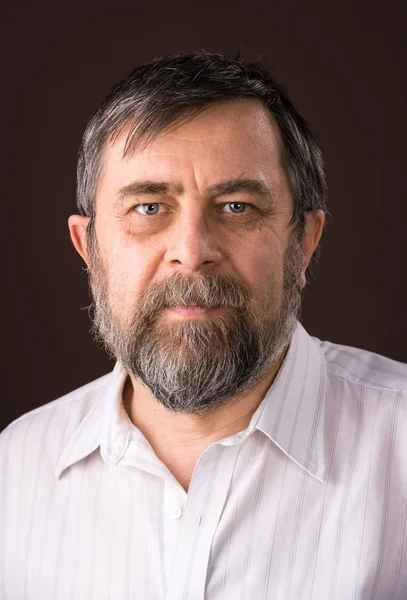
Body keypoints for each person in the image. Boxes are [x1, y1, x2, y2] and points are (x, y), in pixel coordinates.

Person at [1, 51, 406, 600]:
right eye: (148, 208)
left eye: (237, 206)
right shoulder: (14, 469)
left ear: (303, 241)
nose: (191, 253)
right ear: (88, 247)